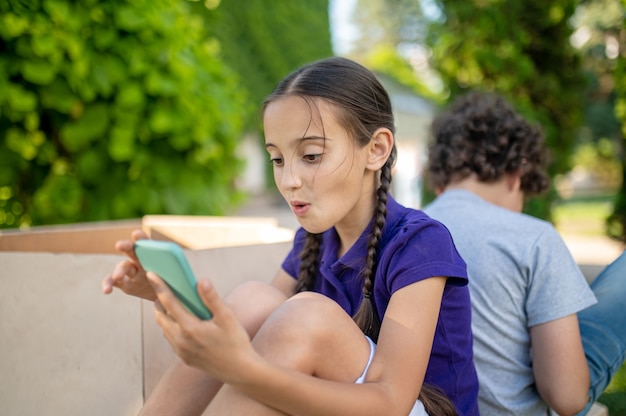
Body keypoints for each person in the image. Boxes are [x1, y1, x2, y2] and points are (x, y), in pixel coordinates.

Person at [101, 57, 479, 416]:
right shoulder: (313, 242)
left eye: (311, 156)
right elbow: (257, 334)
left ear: (376, 149)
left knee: (305, 313)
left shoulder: (420, 243)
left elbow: (389, 402)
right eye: (277, 160)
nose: (288, 180)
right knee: (254, 299)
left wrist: (245, 370)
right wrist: (168, 298)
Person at [423, 91, 626, 416]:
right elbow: (567, 398)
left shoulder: (401, 232)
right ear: (517, 174)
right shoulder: (533, 238)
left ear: (441, 177)